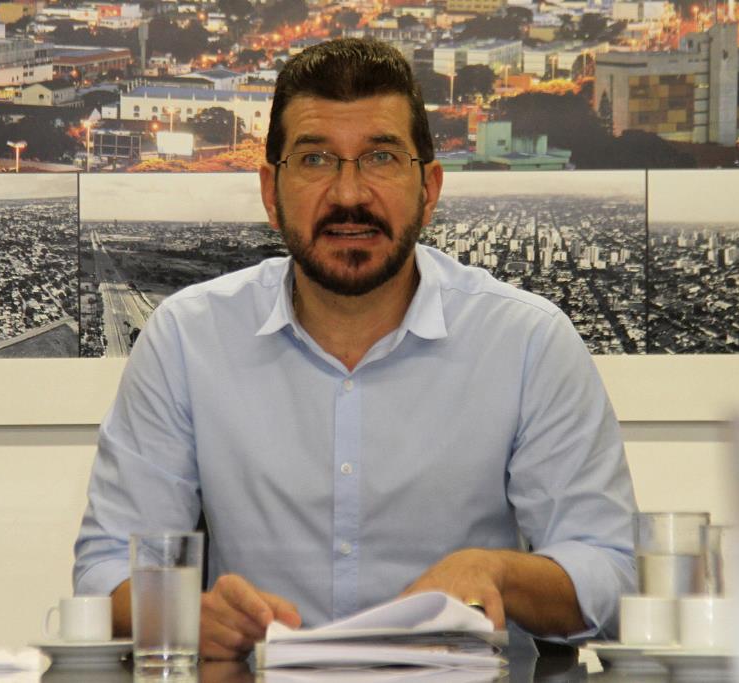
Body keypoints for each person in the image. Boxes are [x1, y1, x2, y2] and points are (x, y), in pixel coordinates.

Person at [73, 37, 637, 660]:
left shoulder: (527, 340)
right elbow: (104, 571)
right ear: (270, 192)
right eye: (315, 159)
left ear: (429, 189)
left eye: (381, 158)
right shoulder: (188, 338)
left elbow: (612, 573)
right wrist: (185, 615)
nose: (348, 194)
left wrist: (498, 573)